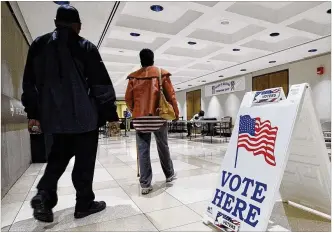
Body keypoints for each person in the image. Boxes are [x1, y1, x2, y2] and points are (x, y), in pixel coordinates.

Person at [21, 5, 118, 223]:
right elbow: (100, 84)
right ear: (78, 26)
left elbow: (29, 84)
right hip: (85, 119)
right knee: (84, 162)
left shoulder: (38, 45)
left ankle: (44, 196)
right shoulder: (85, 47)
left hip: (54, 119)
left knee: (57, 158)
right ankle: (84, 203)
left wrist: (33, 113)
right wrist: (111, 114)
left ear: (56, 23)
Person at [125, 48, 179, 195]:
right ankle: (169, 175)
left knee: (143, 151)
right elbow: (171, 96)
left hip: (140, 119)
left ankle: (145, 184)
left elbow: (128, 100)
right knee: (163, 146)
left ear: (140, 60)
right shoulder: (161, 74)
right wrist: (176, 113)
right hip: (159, 117)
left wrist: (135, 111)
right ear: (153, 59)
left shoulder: (134, 78)